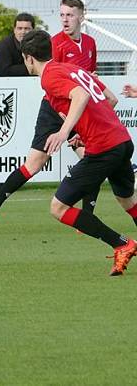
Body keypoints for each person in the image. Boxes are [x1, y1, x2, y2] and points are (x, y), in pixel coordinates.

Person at [0, 0, 104, 233]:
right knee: (34, 165)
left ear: (81, 17)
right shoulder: (54, 43)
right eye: (62, 15)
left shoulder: (90, 43)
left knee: (91, 158)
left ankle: (86, 217)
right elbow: (52, 81)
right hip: (55, 108)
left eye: (69, 15)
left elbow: (87, 78)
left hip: (77, 107)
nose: (65, 19)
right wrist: (64, 128)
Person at [20, 29, 137, 275]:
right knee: (128, 200)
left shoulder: (49, 76)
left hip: (104, 148)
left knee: (58, 208)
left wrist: (64, 131)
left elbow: (81, 95)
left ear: (29, 57)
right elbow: (111, 100)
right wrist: (84, 129)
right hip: (122, 140)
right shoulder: (71, 69)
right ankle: (122, 245)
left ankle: (121, 243)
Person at [0, 13, 35, 189]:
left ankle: (20, 175)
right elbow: (5, 70)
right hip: (1, 99)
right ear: (14, 29)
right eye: (19, 28)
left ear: (32, 29)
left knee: (22, 137)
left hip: (25, 98)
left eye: (27, 28)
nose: (23, 32)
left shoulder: (35, 45)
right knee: (2, 139)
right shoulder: (5, 45)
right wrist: (30, 69)